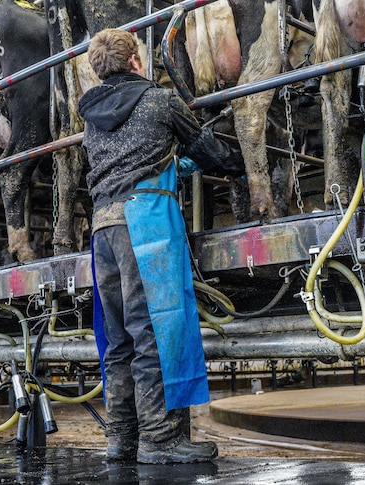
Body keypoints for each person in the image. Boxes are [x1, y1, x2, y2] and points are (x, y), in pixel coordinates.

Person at [79, 28, 244, 464]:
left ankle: (121, 437)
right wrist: (237, 165)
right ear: (136, 61)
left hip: (102, 228)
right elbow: (204, 146)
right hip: (144, 223)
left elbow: (130, 157)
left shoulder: (91, 115)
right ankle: (159, 438)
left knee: (117, 339)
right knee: (150, 326)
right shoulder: (159, 99)